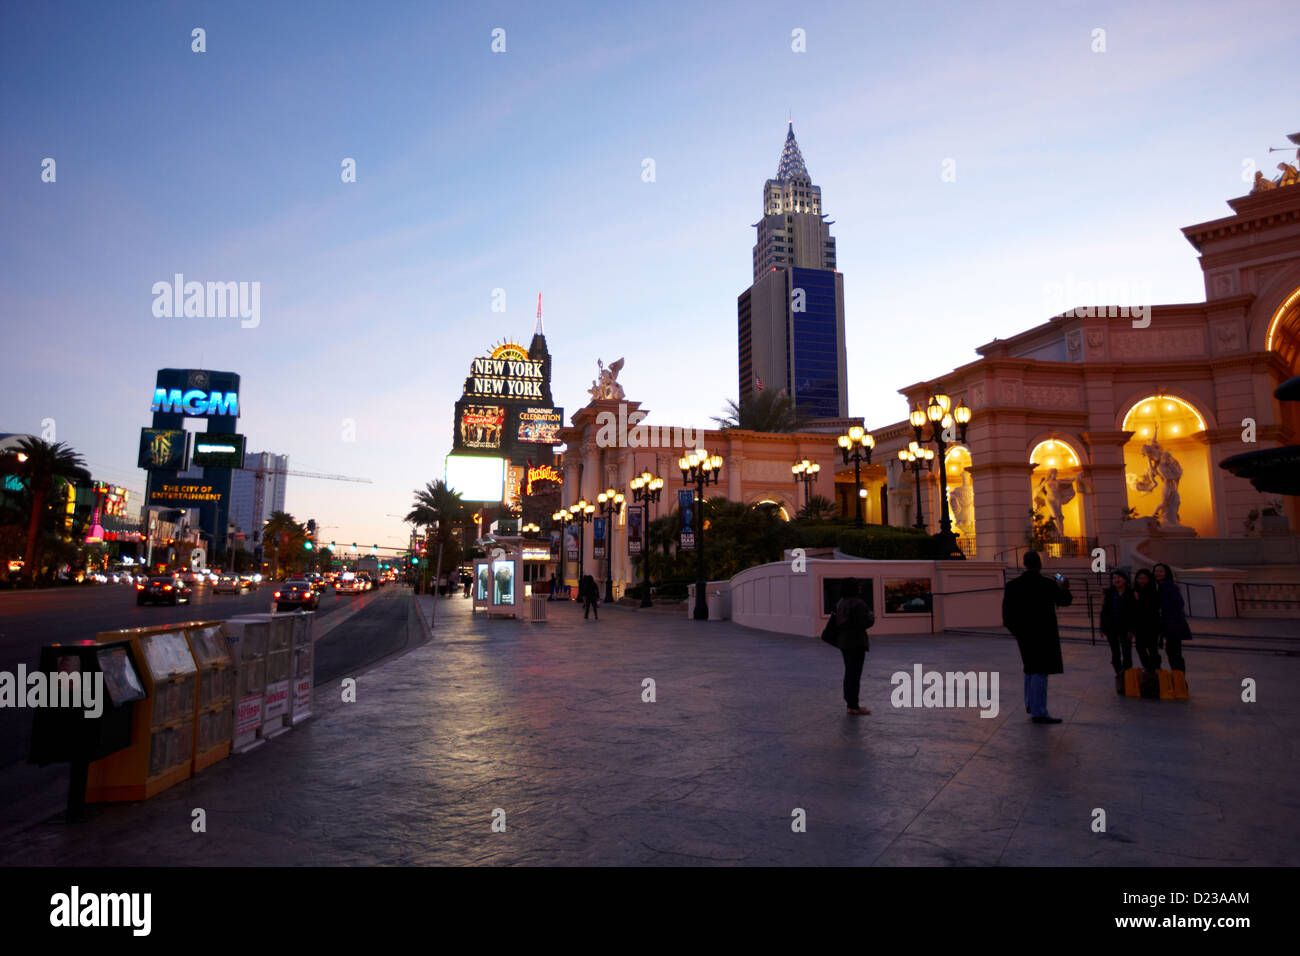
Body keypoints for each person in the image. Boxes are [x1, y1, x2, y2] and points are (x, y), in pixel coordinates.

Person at [1001, 550, 1072, 724]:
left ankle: (1031, 704)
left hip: (1024, 634)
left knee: (1030, 668)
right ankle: (1038, 710)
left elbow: (1007, 614)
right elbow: (1064, 601)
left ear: (1024, 563)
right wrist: (1064, 587)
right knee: (1040, 670)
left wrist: (1017, 633)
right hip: (1044, 633)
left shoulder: (1013, 585)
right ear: (1039, 563)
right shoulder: (1048, 584)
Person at [833, 578, 873, 716]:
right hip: (856, 642)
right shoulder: (858, 603)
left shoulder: (841, 602)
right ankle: (853, 705)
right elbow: (865, 622)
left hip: (844, 642)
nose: (860, 587)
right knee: (854, 674)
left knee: (849, 672)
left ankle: (850, 703)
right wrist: (871, 616)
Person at [1100, 570, 1137, 693]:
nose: (1116, 580)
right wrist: (1102, 627)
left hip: (1125, 629)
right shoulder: (1110, 593)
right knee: (1115, 653)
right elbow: (1104, 611)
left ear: (1125, 580)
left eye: (1119, 577)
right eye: (1114, 578)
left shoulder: (1131, 593)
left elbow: (1134, 613)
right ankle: (1120, 677)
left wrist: (1132, 629)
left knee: (1127, 653)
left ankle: (1128, 677)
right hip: (1112, 628)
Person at [1152, 563, 1189, 675]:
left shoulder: (1169, 586)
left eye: (1160, 571)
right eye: (1156, 571)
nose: (1157, 573)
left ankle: (1179, 679)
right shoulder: (1161, 586)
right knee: (1172, 652)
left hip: (1173, 624)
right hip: (1169, 624)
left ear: (1166, 573)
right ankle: (1178, 677)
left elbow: (1178, 603)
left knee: (1174, 653)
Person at [1131, 569, 1162, 671]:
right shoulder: (1134, 591)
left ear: (1149, 579)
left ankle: (1155, 668)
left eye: (1144, 578)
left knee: (1152, 648)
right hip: (1139, 626)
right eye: (1139, 578)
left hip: (1151, 625)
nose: (1141, 581)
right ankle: (1148, 668)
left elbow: (1154, 607)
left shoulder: (1153, 591)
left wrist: (1139, 599)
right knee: (1140, 648)